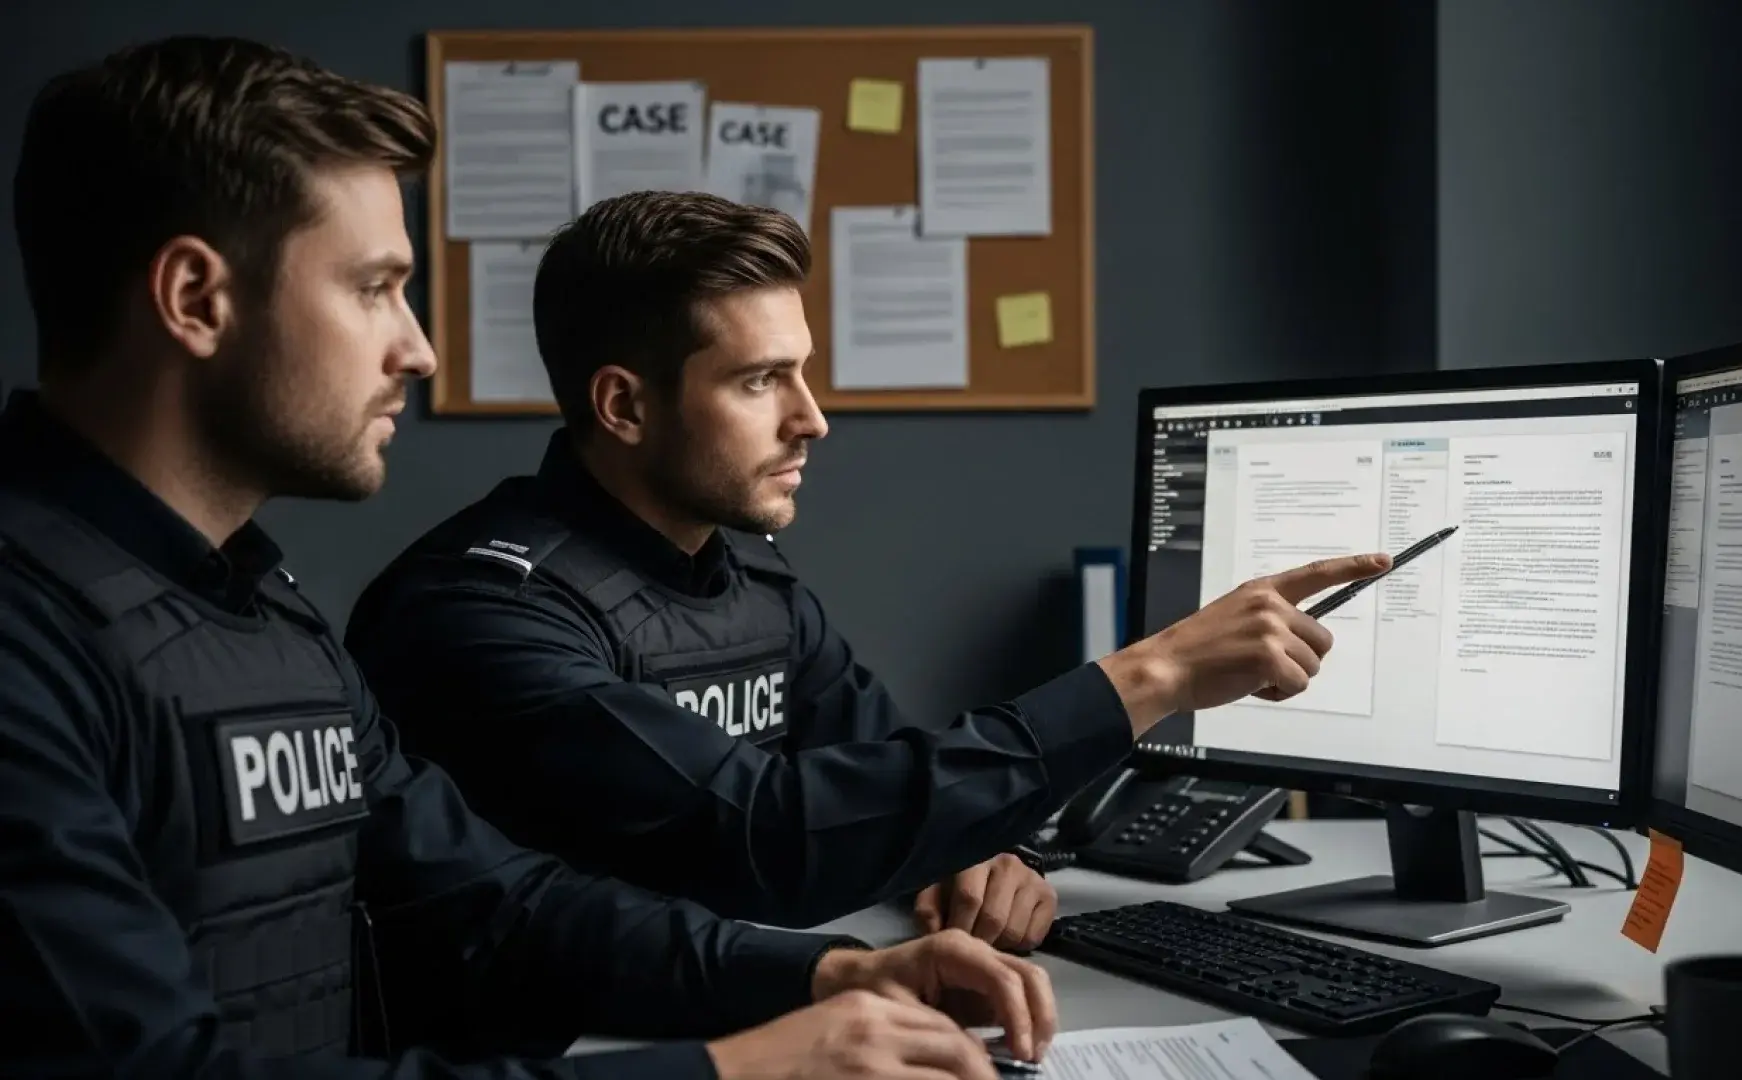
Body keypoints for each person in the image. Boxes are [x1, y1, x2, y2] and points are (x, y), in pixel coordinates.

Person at [0, 35, 1087, 1080]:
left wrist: (827, 972)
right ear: (197, 300)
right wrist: (728, 1070)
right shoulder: (30, 636)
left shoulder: (258, 606)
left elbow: (493, 902)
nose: (418, 349)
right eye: (374, 286)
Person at [343, 188, 1393, 951]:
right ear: (624, 405)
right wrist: (1149, 679)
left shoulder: (750, 575)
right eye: (762, 381)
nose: (814, 419)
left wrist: (969, 852)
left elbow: (887, 771)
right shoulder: (481, 614)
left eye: (803, 372)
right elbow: (768, 835)